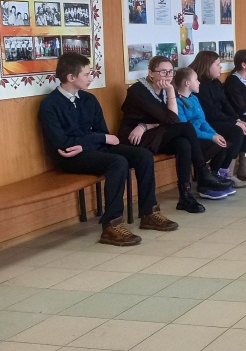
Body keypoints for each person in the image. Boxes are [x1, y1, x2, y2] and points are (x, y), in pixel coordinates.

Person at [38, 53, 178, 246]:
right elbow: (62, 143)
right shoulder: (49, 105)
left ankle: (149, 213)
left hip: (94, 149)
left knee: (143, 156)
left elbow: (103, 133)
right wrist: (96, 140)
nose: (91, 77)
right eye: (86, 74)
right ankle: (111, 224)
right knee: (117, 162)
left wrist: (88, 142)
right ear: (71, 77)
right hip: (70, 157)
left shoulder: (89, 99)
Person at [119, 56, 231, 213]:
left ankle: (185, 196)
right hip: (136, 137)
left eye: (171, 72)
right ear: (151, 73)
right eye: (163, 72)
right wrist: (171, 91)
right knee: (186, 128)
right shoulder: (138, 91)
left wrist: (146, 125)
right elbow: (173, 120)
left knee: (183, 143)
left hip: (155, 132)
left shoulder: (165, 90)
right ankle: (203, 171)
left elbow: (172, 121)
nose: (168, 76)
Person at [190, 50, 246, 186]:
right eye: (217, 64)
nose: (220, 67)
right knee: (236, 131)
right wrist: (233, 122)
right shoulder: (200, 85)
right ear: (207, 66)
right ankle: (225, 171)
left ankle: (244, 168)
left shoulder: (215, 82)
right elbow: (211, 112)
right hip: (208, 122)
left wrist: (237, 119)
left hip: (220, 118)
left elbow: (225, 104)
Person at [174, 67, 236, 200]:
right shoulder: (177, 102)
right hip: (190, 138)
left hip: (201, 134)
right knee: (216, 146)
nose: (199, 83)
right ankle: (204, 185)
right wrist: (210, 137)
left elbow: (203, 122)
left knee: (223, 146)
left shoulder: (194, 98)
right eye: (196, 80)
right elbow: (187, 128)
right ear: (187, 83)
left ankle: (212, 179)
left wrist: (215, 134)